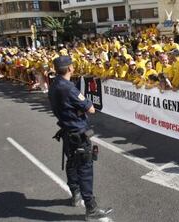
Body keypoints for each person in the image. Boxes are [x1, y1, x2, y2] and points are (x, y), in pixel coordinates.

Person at [48, 56, 112, 221]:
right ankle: (91, 208)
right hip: (78, 133)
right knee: (85, 168)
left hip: (67, 131)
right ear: (70, 68)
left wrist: (76, 110)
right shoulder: (69, 87)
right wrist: (79, 110)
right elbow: (90, 109)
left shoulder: (54, 84)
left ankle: (75, 194)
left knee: (72, 163)